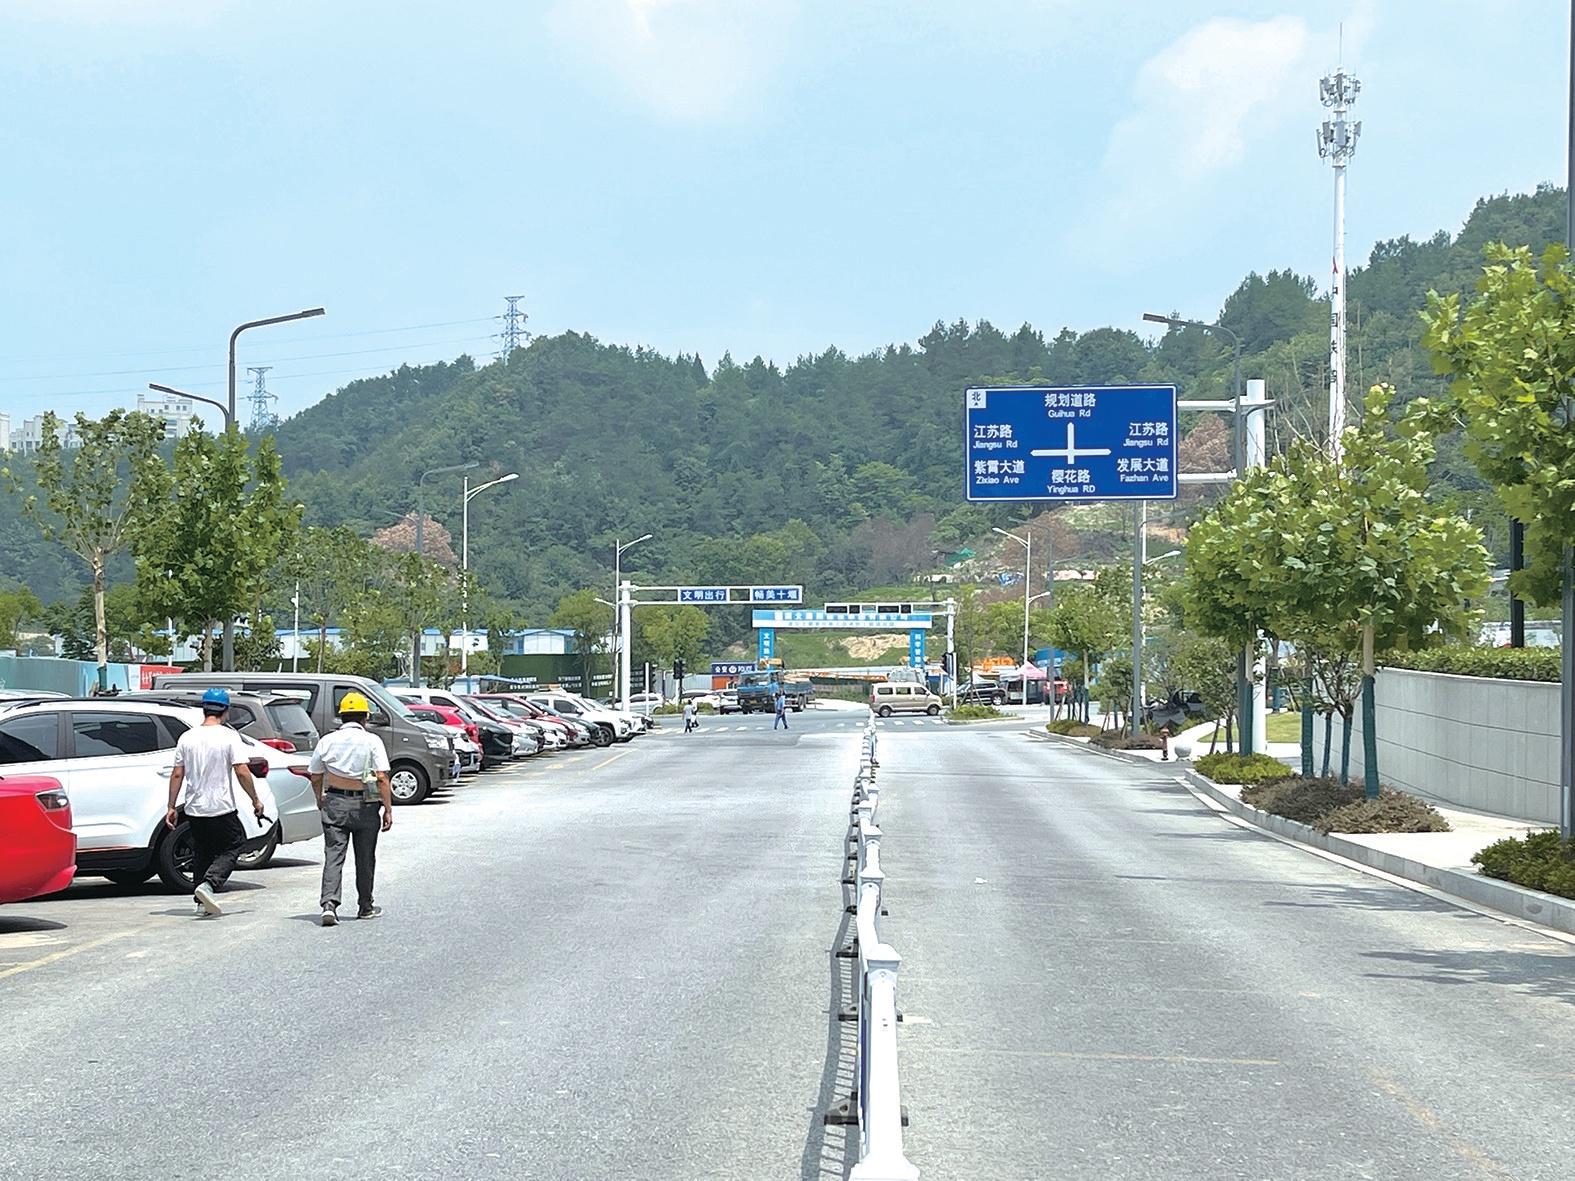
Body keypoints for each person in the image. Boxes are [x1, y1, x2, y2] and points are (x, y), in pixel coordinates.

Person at [165, 686, 266, 917]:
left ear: (204, 709)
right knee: (234, 845)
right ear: (225, 711)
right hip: (221, 807)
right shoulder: (228, 736)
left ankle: (202, 904)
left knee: (203, 852)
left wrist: (171, 806)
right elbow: (241, 771)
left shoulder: (187, 737)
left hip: (195, 808)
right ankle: (209, 884)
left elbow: (177, 774)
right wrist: (255, 800)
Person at [308, 690, 393, 927]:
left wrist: (320, 798)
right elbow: (382, 777)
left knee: (334, 855)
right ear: (365, 717)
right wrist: (388, 809)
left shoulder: (327, 740)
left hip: (335, 801)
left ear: (342, 717)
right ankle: (365, 906)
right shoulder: (372, 741)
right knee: (365, 857)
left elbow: (315, 775)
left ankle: (329, 905)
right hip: (365, 805)